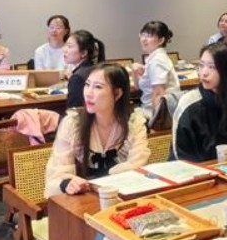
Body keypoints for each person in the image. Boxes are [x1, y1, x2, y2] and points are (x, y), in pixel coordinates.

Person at [45, 63, 149, 197]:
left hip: (121, 197)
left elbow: (138, 165)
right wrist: (68, 183)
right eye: (87, 85)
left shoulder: (134, 123)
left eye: (98, 87)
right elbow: (57, 172)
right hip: (82, 199)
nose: (88, 93)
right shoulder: (73, 123)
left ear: (117, 94)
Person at [172, 42, 227, 162]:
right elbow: (181, 153)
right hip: (192, 170)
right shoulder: (189, 102)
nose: (204, 73)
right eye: (201, 65)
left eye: (212, 67)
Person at [132, 20, 182, 122]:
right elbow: (138, 87)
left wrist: (155, 123)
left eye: (149, 36)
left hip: (153, 114)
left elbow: (159, 94)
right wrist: (134, 71)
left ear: (161, 40)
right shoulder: (153, 57)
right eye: (143, 34)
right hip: (148, 109)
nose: (144, 39)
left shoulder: (157, 60)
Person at [63, 29, 105, 109]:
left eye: (69, 46)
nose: (64, 50)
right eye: (65, 46)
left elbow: (74, 111)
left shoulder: (77, 78)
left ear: (84, 53)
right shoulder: (95, 68)